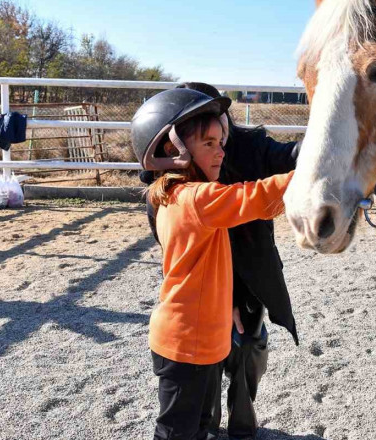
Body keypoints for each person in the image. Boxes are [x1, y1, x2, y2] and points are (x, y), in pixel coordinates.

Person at [131, 87, 295, 440]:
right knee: (176, 433)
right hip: (185, 344)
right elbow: (259, 198)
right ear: (171, 151)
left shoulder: (175, 195)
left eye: (221, 141)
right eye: (209, 144)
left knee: (201, 426)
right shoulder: (196, 198)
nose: (222, 151)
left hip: (201, 341)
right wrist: (316, 172)